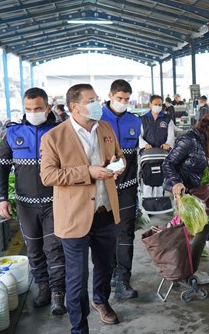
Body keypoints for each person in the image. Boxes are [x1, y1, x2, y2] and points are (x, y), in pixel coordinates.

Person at [40, 83, 125, 333]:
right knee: (77, 279)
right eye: (91, 100)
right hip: (75, 216)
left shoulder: (106, 128)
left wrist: (116, 165)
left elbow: (120, 156)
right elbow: (48, 176)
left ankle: (101, 300)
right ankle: (79, 327)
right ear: (75, 107)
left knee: (105, 266)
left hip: (105, 211)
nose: (97, 103)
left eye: (96, 98)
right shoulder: (54, 137)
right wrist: (88, 172)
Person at [0, 87, 66, 315]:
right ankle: (42, 287)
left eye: (37, 108)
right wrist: (1, 198)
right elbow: (1, 168)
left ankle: (57, 293)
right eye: (28, 109)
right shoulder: (13, 134)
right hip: (25, 205)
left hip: (55, 202)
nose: (33, 112)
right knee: (34, 249)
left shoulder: (60, 131)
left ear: (47, 108)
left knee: (54, 248)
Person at [162, 113, 209, 285]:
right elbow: (168, 163)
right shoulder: (189, 140)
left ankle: (184, 271)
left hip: (191, 190)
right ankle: (189, 274)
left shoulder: (201, 140)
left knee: (194, 230)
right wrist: (176, 183)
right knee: (199, 228)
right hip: (182, 191)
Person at [100, 79, 142, 299]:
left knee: (126, 232)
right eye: (119, 99)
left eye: (127, 99)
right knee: (107, 233)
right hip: (103, 188)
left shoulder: (134, 121)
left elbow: (136, 153)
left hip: (127, 186)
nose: (123, 103)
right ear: (110, 95)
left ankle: (124, 279)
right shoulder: (97, 119)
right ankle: (110, 272)